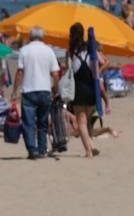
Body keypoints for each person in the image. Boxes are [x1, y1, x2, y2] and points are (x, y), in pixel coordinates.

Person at [11, 26, 60, 160]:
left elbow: (20, 72)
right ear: (42, 36)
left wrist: (14, 90)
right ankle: (42, 149)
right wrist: (56, 89)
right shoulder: (49, 51)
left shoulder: (24, 50)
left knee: (29, 123)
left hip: (29, 90)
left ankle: (32, 150)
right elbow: (55, 74)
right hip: (45, 90)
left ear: (30, 36)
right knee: (43, 123)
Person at [64, 23, 101, 159]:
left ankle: (89, 150)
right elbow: (98, 67)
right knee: (86, 121)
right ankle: (90, 145)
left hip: (79, 90)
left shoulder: (71, 52)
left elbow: (69, 71)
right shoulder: (91, 50)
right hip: (91, 89)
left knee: (81, 123)